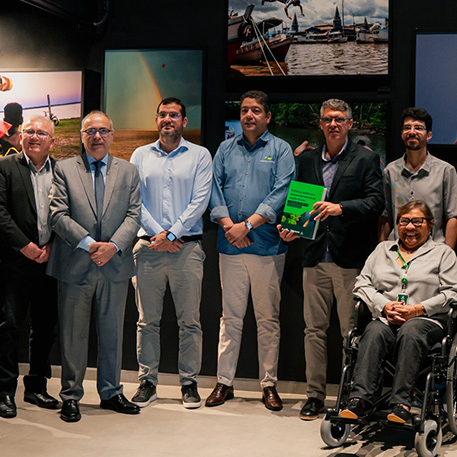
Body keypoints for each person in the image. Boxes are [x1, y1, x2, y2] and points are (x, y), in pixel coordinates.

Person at [277, 99, 384, 421]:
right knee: (314, 331)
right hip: (313, 256)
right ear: (321, 124)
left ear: (350, 124)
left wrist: (342, 208)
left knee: (350, 332)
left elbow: (376, 202)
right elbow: (299, 204)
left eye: (339, 119)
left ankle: (350, 395)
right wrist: (291, 228)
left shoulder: (366, 159)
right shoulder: (307, 160)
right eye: (327, 119)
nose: (333, 124)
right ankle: (314, 395)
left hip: (349, 258)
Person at [48, 111, 142, 423]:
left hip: (114, 265)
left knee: (113, 334)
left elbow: (134, 216)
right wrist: (91, 245)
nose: (97, 136)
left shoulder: (128, 171)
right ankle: (71, 396)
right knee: (73, 336)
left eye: (103, 131)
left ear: (112, 135)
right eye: (91, 131)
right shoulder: (63, 169)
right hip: (76, 265)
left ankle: (111, 392)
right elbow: (58, 214)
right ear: (82, 135)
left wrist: (112, 246)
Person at [206, 90, 295, 411]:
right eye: (244, 110)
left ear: (267, 117)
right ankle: (224, 382)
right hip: (229, 246)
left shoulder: (282, 150)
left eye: (256, 110)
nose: (249, 116)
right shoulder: (225, 149)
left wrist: (248, 226)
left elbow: (280, 193)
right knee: (229, 318)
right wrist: (231, 225)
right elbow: (213, 189)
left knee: (268, 319)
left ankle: (268, 384)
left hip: (268, 247)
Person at [339, 202, 457, 422]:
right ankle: (359, 400)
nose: (410, 227)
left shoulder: (442, 253)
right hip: (387, 319)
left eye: (417, 221)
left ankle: (401, 404)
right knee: (373, 331)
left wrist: (419, 309)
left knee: (411, 330)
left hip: (427, 321)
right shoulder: (382, 250)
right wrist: (384, 305)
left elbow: (456, 292)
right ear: (397, 224)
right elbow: (362, 284)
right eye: (404, 221)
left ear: (430, 225)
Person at [129, 97, 213, 410]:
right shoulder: (139, 155)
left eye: (174, 115)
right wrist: (158, 236)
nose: (168, 120)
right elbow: (134, 200)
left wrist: (173, 234)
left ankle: (189, 383)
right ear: (156, 120)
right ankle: (147, 382)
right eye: (163, 115)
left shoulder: (200, 155)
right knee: (146, 321)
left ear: (184, 121)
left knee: (189, 321)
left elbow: (200, 200)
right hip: (148, 249)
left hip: (186, 249)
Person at [0, 115, 61, 418]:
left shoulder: (63, 171)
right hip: (15, 263)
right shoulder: (4, 167)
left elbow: (68, 211)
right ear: (20, 136)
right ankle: (4, 391)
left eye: (41, 133)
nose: (34, 137)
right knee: (9, 327)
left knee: (44, 329)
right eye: (29, 131)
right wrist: (26, 246)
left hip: (51, 262)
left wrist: (53, 245)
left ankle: (36, 387)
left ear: (51, 140)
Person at [380, 107, 457, 249]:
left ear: (429, 135)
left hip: (432, 251)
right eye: (407, 128)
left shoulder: (445, 170)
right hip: (396, 251)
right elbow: (386, 216)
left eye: (419, 128)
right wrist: (381, 252)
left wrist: (447, 256)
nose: (412, 132)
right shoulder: (390, 171)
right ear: (402, 134)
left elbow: (453, 217)